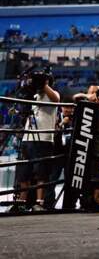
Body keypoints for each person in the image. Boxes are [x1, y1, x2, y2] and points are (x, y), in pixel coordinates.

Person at [15, 74, 60, 212]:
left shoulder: (53, 94)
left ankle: (39, 203)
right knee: (24, 174)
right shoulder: (33, 96)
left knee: (41, 174)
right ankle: (21, 203)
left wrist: (43, 84)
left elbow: (56, 99)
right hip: (27, 138)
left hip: (43, 139)